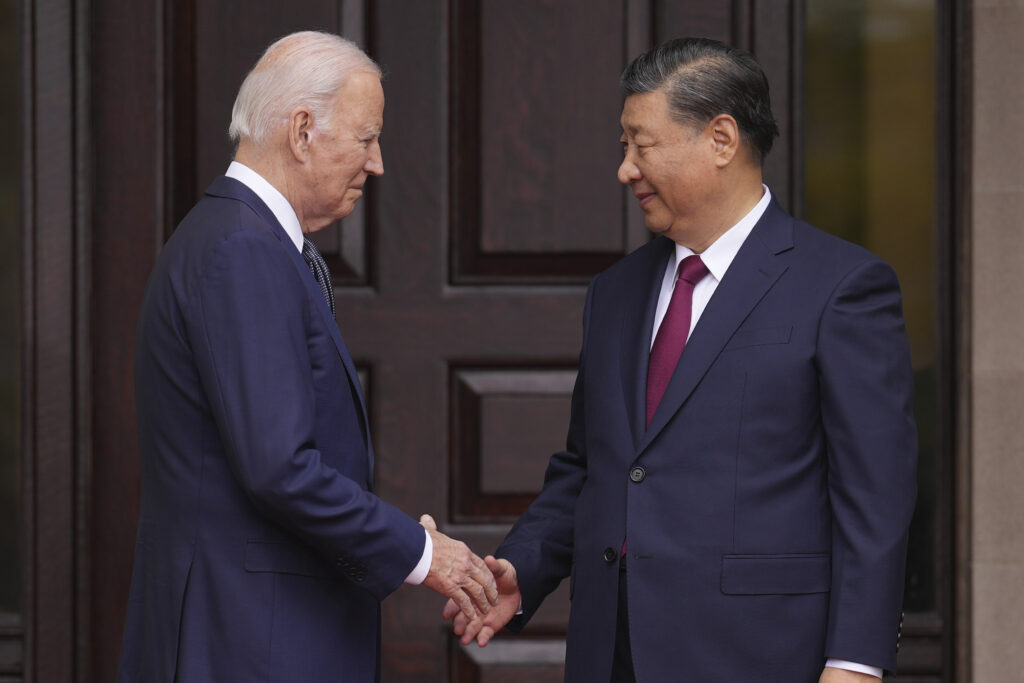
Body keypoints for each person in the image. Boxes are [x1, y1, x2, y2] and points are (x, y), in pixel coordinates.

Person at [444, 38, 917, 683]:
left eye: (642, 144)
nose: (625, 169)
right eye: (623, 146)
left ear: (721, 139)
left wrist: (856, 663)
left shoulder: (841, 287)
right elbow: (590, 468)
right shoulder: (614, 293)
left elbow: (875, 499)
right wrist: (522, 570)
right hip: (612, 655)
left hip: (762, 656)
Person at [117, 31, 496, 683]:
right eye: (366, 137)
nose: (376, 163)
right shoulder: (245, 250)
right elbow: (279, 468)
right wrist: (422, 551)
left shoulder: (237, 236)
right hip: (247, 639)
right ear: (301, 131)